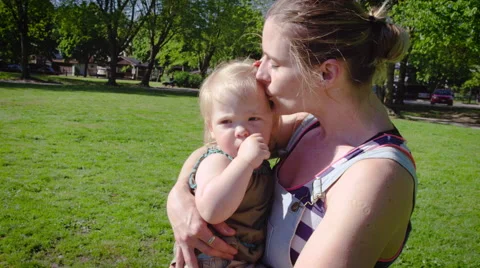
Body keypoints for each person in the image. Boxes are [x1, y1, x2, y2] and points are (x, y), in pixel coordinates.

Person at [167, 0, 417, 267]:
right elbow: (217, 148)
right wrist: (179, 196)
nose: (259, 73)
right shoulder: (305, 126)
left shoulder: (376, 176)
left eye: (273, 62)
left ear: (326, 73)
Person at [170, 60, 278, 267]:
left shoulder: (262, 158)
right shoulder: (218, 160)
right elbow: (212, 211)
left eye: (253, 118)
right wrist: (245, 161)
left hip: (242, 256)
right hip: (213, 259)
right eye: (226, 122)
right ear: (211, 128)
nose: (241, 130)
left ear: (272, 120)